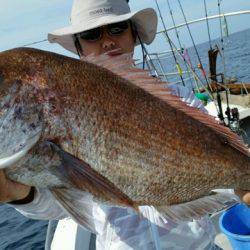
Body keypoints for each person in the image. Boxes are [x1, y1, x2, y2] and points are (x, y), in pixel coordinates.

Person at [1, 0, 250, 249]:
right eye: (91, 34)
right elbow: (64, 202)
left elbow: (221, 168)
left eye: (117, 28)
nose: (107, 41)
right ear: (78, 45)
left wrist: (239, 189)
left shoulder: (179, 100)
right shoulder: (38, 138)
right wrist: (20, 196)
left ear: (134, 34)